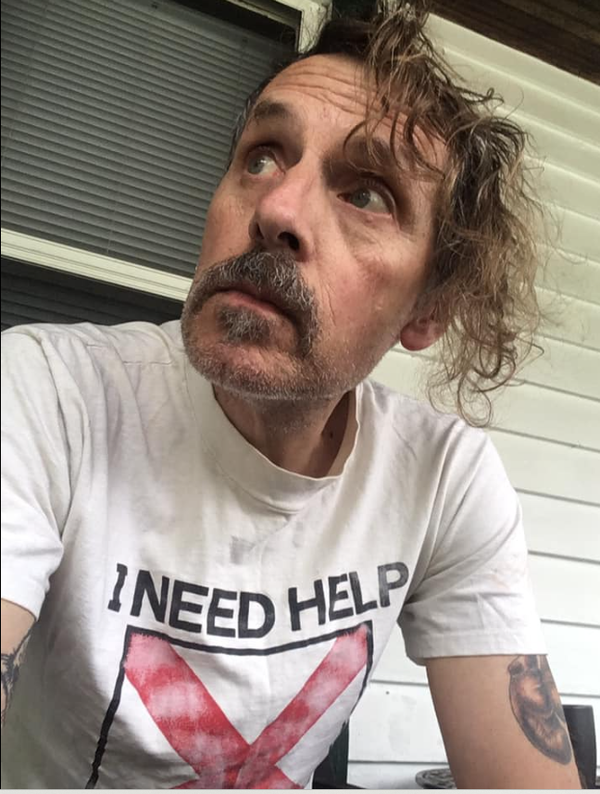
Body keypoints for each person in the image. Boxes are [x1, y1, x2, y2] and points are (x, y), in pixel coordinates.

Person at [1, 1, 581, 789]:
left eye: (367, 194)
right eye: (263, 157)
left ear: (427, 310)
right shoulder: (47, 394)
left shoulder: (442, 479)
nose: (275, 209)